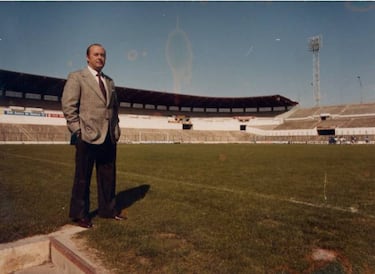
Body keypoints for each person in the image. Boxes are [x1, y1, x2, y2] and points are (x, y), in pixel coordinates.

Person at [61, 43, 123, 228]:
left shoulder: (109, 82)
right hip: (86, 135)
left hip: (108, 137)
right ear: (87, 57)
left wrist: (116, 128)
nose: (100, 58)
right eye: (96, 54)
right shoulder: (77, 77)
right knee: (82, 177)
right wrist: (77, 130)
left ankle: (108, 210)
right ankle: (80, 215)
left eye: (103, 55)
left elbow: (114, 108)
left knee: (108, 177)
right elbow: (68, 105)